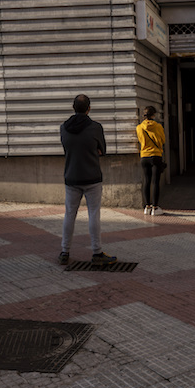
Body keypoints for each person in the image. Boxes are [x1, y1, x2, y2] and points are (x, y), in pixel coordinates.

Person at [59, 94, 116, 265]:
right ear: (89, 108)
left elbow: (67, 149)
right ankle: (97, 252)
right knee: (93, 215)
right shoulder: (95, 127)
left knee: (69, 215)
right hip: (92, 178)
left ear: (73, 108)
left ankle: (64, 251)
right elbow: (102, 150)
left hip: (71, 177)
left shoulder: (63, 128)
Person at [136, 106, 166, 216]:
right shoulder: (158, 126)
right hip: (156, 156)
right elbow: (163, 140)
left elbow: (140, 140)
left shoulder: (139, 127)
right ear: (153, 115)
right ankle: (155, 207)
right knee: (155, 182)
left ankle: (147, 207)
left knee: (147, 181)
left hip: (144, 156)